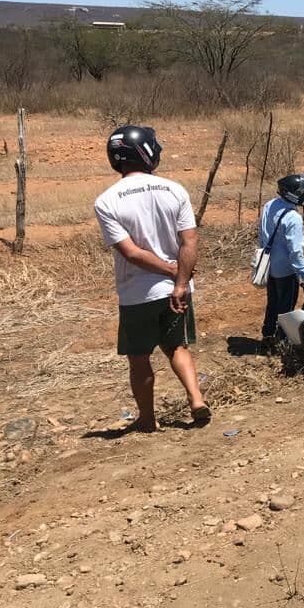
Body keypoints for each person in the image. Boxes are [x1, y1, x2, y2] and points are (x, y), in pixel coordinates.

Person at [94, 125, 210, 432]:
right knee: (177, 347)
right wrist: (179, 279)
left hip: (137, 293)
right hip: (177, 288)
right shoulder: (175, 189)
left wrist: (171, 272)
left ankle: (146, 418)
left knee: (139, 357)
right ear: (146, 153)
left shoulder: (107, 201)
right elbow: (190, 242)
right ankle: (196, 399)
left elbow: (130, 253)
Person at [259, 174, 304, 344]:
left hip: (270, 266)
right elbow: (295, 251)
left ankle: (268, 334)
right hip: (287, 271)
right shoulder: (293, 218)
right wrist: (303, 274)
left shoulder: (269, 205)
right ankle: (282, 340)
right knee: (286, 308)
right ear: (292, 194)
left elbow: (262, 234)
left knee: (272, 303)